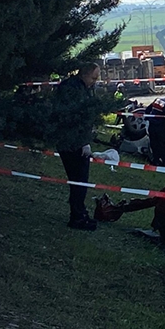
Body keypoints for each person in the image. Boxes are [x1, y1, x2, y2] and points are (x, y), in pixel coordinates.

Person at [56, 62, 101, 230]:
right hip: (73, 143)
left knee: (79, 182)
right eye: (93, 78)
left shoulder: (77, 87)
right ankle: (77, 217)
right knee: (79, 182)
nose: (94, 82)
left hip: (71, 141)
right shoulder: (74, 90)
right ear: (84, 74)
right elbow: (76, 119)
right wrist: (83, 142)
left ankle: (80, 213)